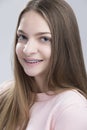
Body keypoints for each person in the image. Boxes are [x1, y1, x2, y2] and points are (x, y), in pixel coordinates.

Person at [0, 0, 87, 129]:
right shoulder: (5, 95)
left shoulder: (71, 108)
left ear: (65, 45)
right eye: (22, 37)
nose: (28, 50)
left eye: (44, 39)